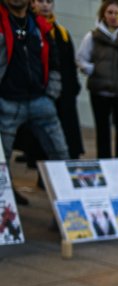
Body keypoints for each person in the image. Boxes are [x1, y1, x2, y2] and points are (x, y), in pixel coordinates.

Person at [75, 0, 118, 172]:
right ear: (103, 15)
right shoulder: (93, 36)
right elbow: (81, 59)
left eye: (116, 13)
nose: (113, 16)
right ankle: (104, 171)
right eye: (110, 12)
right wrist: (91, 69)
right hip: (101, 91)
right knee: (102, 133)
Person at [0, 0, 68, 165]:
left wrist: (52, 93)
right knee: (2, 162)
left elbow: (54, 61)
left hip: (41, 100)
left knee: (61, 154)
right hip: (7, 102)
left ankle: (64, 190)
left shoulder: (39, 25)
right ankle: (4, 191)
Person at [15, 0, 82, 161]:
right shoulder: (27, 28)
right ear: (33, 4)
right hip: (38, 91)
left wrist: (72, 89)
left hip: (64, 94)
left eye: (49, 2)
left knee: (64, 138)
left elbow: (68, 65)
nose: (45, 6)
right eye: (41, 1)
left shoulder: (62, 32)